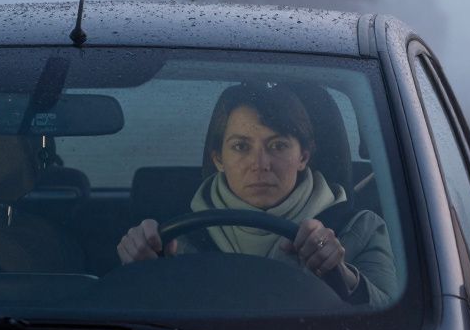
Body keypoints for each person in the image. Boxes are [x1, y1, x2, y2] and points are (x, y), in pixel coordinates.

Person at [116, 83, 396, 308]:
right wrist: (136, 269)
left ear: (303, 157)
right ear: (218, 159)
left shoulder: (359, 228)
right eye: (241, 146)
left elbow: (394, 319)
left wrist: (341, 273)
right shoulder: (171, 238)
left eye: (278, 145)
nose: (260, 164)